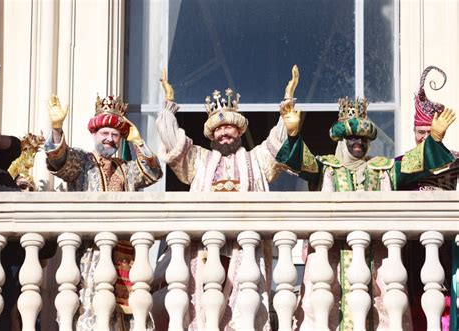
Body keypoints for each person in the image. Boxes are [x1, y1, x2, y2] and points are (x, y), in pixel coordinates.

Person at [275, 65, 456, 330]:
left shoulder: (382, 169)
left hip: (376, 266)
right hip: (332, 265)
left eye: (363, 137)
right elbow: (301, 162)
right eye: (352, 137)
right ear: (342, 140)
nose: (358, 142)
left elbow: (413, 164)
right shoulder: (326, 168)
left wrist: (435, 140)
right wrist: (292, 135)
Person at [154, 69, 289, 329]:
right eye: (219, 129)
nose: (224, 133)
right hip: (205, 248)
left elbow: (278, 144)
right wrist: (168, 108)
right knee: (203, 308)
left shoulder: (255, 159)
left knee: (242, 306)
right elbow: (173, 143)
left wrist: (286, 112)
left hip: (243, 248)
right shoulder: (200, 160)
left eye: (229, 127)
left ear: (239, 131)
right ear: (212, 135)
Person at [44, 94, 163, 330]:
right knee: (92, 312)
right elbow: (58, 160)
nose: (109, 139)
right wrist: (57, 128)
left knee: (129, 317)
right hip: (92, 252)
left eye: (115, 135)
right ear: (94, 134)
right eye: (104, 133)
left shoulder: (126, 169)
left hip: (126, 255)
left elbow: (153, 172)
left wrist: (137, 141)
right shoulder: (82, 161)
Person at [396, 65, 459, 331]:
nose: (422, 138)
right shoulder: (401, 162)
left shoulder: (455, 159)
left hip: (445, 242)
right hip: (412, 244)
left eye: (427, 132)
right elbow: (405, 173)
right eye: (419, 133)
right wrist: (433, 141)